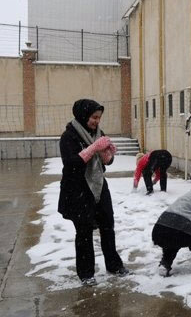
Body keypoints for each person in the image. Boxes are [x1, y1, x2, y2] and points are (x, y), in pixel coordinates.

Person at [58, 99, 129, 286]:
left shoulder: (98, 134)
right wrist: (93, 149)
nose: (97, 121)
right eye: (93, 117)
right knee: (84, 232)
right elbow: (72, 164)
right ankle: (86, 273)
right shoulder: (69, 136)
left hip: (98, 185)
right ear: (83, 115)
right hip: (77, 189)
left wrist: (108, 155)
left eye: (99, 118)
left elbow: (106, 162)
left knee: (108, 225)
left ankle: (113, 264)